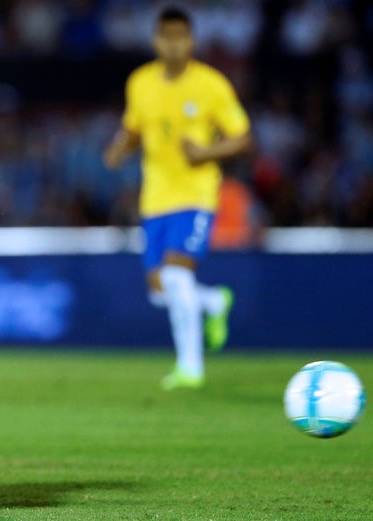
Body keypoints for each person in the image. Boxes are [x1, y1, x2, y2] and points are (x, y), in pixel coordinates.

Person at [103, 6, 252, 390]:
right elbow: (133, 128)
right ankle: (214, 302)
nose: (173, 44)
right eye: (166, 37)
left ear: (191, 40)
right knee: (160, 291)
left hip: (196, 194)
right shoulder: (140, 82)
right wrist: (121, 147)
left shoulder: (211, 85)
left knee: (174, 275)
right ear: (156, 41)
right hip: (155, 200)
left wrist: (206, 153)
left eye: (180, 37)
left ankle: (191, 367)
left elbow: (242, 136)